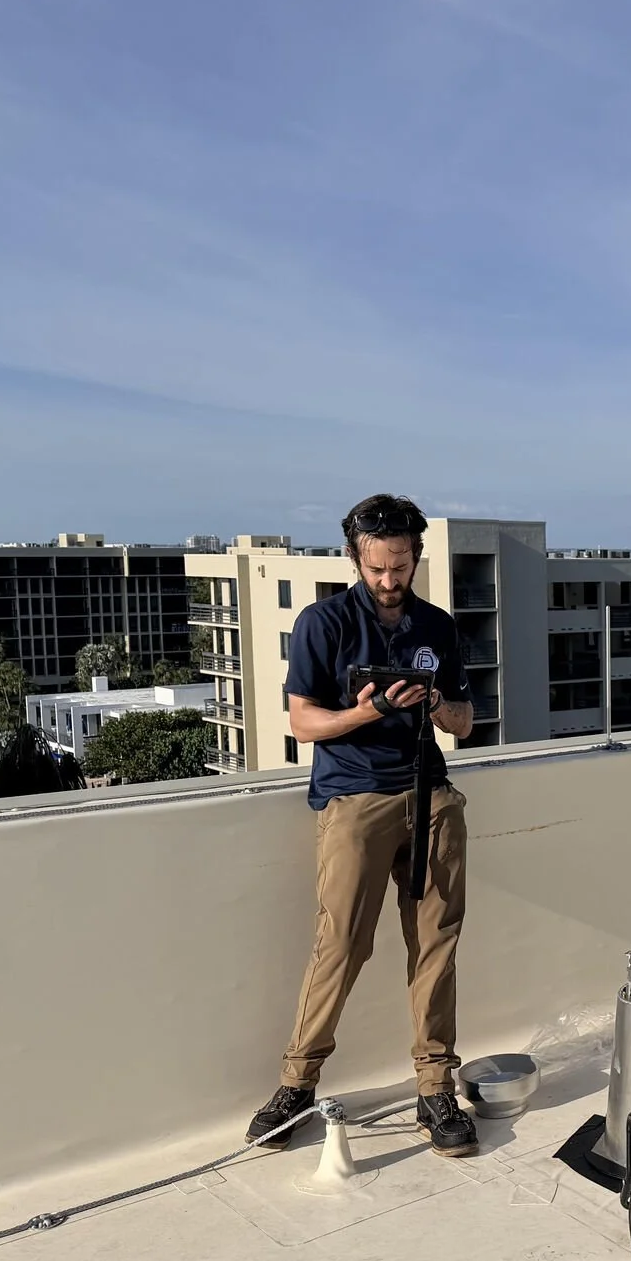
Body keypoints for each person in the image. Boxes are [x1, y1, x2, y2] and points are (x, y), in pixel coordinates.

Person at [244, 495, 481, 1157]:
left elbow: (465, 723)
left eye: (399, 566)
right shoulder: (322, 623)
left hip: (430, 792)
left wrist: (434, 701)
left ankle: (435, 1089)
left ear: (416, 558)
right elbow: (303, 723)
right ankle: (297, 1085)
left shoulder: (436, 626)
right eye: (376, 567)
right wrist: (367, 711)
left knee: (435, 946)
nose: (388, 579)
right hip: (353, 798)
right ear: (355, 558)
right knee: (342, 944)